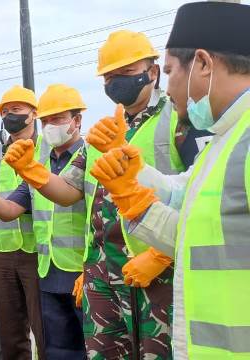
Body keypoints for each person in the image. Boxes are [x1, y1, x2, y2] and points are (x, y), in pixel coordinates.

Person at [2, 28, 206, 359]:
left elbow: (202, 192)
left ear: (151, 72)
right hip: (103, 272)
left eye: (126, 73)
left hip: (158, 272)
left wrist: (161, 255)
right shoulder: (106, 129)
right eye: (109, 76)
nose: (116, 83)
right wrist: (33, 171)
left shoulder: (179, 120)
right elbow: (68, 191)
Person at [87, 2, 250, 357]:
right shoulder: (224, 142)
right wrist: (133, 186)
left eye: (172, 71)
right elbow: (189, 223)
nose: (170, 87)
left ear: (203, 64)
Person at [0, 85, 87, 359]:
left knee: (78, 346)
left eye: (57, 118)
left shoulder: (77, 155)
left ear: (77, 120)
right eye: (48, 120)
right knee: (43, 343)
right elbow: (10, 207)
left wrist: (28, 168)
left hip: (72, 267)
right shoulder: (18, 157)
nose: (51, 125)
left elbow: (67, 193)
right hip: (40, 263)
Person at [0, 85, 46, 360]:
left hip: (37, 252)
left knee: (44, 330)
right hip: (2, 250)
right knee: (10, 335)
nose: (11, 115)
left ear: (33, 114)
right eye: (6, 111)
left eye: (17, 110)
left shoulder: (47, 149)